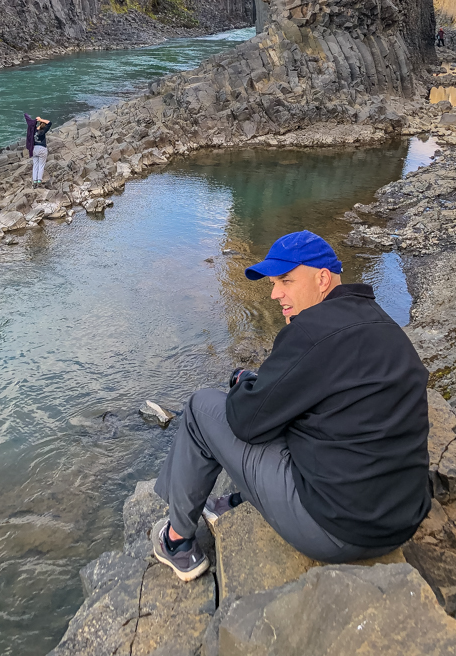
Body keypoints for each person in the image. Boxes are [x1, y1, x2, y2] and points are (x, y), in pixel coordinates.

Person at [151, 230, 431, 582]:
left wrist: (243, 383)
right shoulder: (385, 326)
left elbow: (245, 422)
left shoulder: (311, 331)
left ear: (322, 278)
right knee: (291, 414)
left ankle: (176, 541)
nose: (275, 294)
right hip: (403, 518)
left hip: (338, 532)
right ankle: (239, 500)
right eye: (273, 282)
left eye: (286, 280)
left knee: (201, 408)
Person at [24, 113, 52, 187]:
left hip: (34, 149)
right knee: (41, 165)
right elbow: (49, 122)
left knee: (35, 165)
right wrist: (41, 119)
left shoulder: (33, 130)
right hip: (42, 148)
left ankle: (34, 181)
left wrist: (37, 120)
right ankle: (39, 180)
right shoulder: (43, 130)